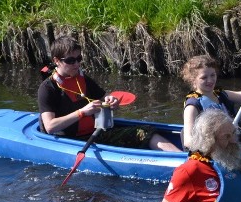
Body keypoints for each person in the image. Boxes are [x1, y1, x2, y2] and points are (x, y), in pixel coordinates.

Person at [38, 36, 180, 152]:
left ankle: (184, 161)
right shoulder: (47, 88)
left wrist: (111, 101)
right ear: (56, 60)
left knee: (147, 131)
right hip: (70, 142)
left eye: (79, 59)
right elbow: (50, 126)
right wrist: (82, 112)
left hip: (97, 134)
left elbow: (104, 98)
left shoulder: (82, 78)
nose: (76, 64)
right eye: (70, 60)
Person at [180, 54, 241, 148]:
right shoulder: (192, 106)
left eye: (213, 75)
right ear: (193, 80)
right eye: (204, 77)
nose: (210, 80)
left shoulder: (222, 94)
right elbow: (188, 141)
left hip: (236, 148)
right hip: (216, 153)